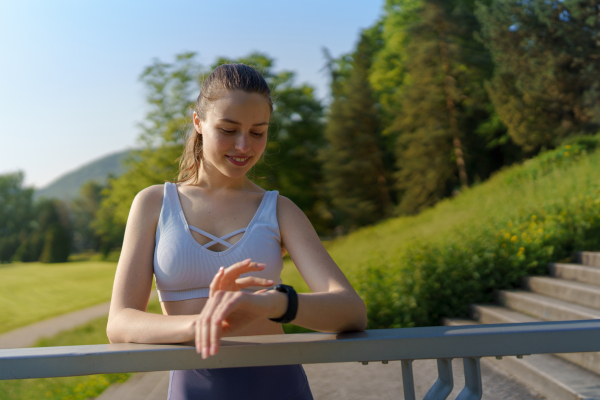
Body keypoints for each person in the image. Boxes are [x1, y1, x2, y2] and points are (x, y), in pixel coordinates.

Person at [106, 63, 367, 400]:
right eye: (228, 130)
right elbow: (120, 324)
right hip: (193, 391)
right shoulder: (154, 204)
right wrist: (202, 325)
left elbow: (350, 311)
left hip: (279, 388)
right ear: (198, 122)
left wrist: (270, 304)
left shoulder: (279, 210)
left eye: (258, 132)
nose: (244, 145)